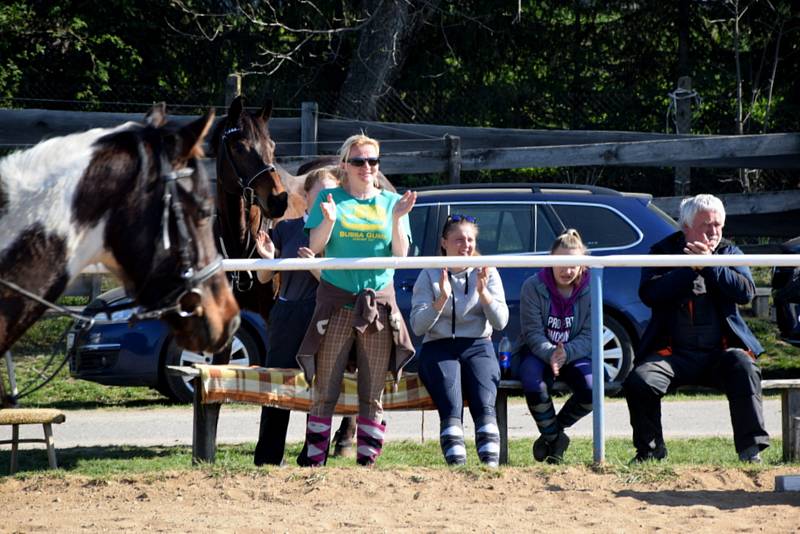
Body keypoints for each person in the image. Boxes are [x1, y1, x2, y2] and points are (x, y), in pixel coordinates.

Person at [296, 133, 417, 467]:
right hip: (336, 303)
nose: (367, 167)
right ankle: (315, 461)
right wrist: (331, 220)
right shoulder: (330, 198)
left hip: (377, 305)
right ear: (344, 165)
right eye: (360, 161)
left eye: (373, 161)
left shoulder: (392, 203)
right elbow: (316, 247)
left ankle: (367, 464)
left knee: (372, 391)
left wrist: (396, 218)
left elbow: (400, 254)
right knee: (325, 389)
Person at [624, 194, 769, 463]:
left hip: (721, 354)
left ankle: (751, 452)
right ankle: (650, 452)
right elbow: (650, 294)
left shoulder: (728, 252)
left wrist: (711, 266)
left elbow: (746, 292)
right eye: (706, 225)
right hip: (672, 354)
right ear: (686, 227)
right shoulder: (662, 252)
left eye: (718, 225)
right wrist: (690, 268)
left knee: (745, 366)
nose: (714, 232)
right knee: (640, 381)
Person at [252, 168, 341, 466]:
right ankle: (267, 458)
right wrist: (268, 258)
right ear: (305, 197)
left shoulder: (341, 230)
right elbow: (264, 278)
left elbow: (337, 282)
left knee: (320, 389)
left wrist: (314, 267)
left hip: (324, 314)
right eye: (321, 194)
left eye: (333, 194)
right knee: (277, 387)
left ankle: (313, 458)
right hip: (287, 313)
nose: (328, 200)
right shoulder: (286, 228)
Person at [410, 214, 509, 466]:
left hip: (477, 345)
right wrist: (441, 299)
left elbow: (500, 322)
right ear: (444, 243)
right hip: (438, 346)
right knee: (451, 403)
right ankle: (458, 467)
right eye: (458, 240)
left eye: (470, 239)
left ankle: (490, 466)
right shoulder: (429, 274)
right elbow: (418, 326)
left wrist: (483, 293)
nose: (465, 245)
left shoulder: (486, 271)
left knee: (484, 402)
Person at [514, 229, 593, 464]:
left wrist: (565, 353)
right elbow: (532, 332)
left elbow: (590, 334)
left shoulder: (591, 288)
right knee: (532, 381)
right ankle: (555, 439)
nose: (567, 271)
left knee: (592, 389)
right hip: (537, 351)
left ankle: (552, 434)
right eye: (561, 262)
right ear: (550, 259)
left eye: (574, 265)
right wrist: (552, 354)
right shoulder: (533, 286)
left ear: (582, 265)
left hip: (574, 351)